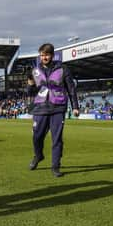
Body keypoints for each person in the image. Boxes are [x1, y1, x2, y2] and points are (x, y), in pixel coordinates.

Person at [27, 43, 79, 177]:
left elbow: (71, 88)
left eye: (46, 55)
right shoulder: (35, 71)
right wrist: (30, 85)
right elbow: (31, 92)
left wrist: (75, 107)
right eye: (42, 55)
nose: (44, 57)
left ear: (52, 55)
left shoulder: (63, 69)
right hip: (40, 108)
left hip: (58, 107)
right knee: (36, 137)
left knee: (57, 139)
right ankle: (38, 156)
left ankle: (55, 166)